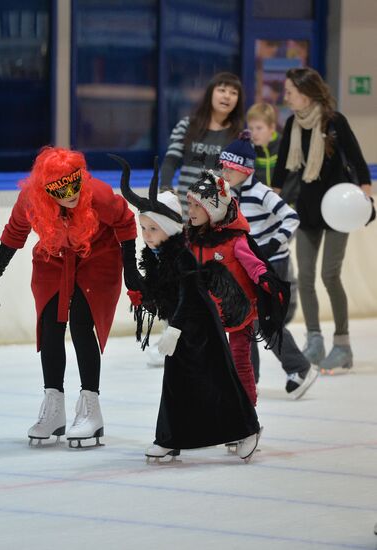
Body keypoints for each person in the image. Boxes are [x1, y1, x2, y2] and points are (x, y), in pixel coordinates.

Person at [0, 146, 141, 447]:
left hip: (97, 255)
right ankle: (53, 406)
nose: (71, 193)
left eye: (75, 183)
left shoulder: (97, 194)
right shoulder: (30, 200)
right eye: (60, 189)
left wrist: (130, 269)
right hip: (53, 256)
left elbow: (125, 222)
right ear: (45, 190)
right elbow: (14, 234)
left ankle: (91, 408)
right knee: (50, 325)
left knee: (80, 323)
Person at [114, 155, 262, 462]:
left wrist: (175, 329)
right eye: (143, 228)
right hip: (183, 329)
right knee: (177, 383)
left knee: (219, 380)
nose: (146, 235)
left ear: (168, 228)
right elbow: (161, 294)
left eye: (152, 228)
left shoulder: (180, 255)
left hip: (201, 328)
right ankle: (171, 438)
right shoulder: (157, 255)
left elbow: (191, 295)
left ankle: (247, 429)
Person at [271, 67, 375, 374]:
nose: (285, 95)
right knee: (304, 277)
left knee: (330, 275)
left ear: (306, 92)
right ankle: (314, 339)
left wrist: (365, 200)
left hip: (339, 210)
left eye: (290, 90)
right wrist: (272, 203)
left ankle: (342, 345)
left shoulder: (334, 122)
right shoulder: (291, 123)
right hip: (308, 210)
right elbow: (280, 171)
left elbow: (358, 163)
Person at [220, 130, 318, 399]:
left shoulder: (261, 193)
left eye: (230, 168)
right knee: (244, 319)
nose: (225, 173)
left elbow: (291, 217)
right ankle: (247, 376)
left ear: (246, 170)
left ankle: (300, 367)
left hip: (271, 263)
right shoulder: (230, 194)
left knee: (264, 319)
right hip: (249, 264)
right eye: (223, 167)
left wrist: (273, 244)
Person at [186, 169, 290, 407]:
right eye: (188, 204)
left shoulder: (234, 239)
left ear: (213, 209)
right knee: (207, 361)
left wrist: (267, 281)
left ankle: (247, 414)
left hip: (238, 312)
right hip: (207, 313)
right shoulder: (190, 240)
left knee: (240, 360)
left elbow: (253, 264)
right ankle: (217, 411)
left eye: (196, 206)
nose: (190, 211)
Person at [160, 71, 244, 219]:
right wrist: (166, 188)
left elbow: (240, 179)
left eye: (233, 93)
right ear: (210, 93)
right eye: (222, 90)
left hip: (218, 216)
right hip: (186, 212)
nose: (227, 96)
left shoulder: (240, 136)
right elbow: (170, 161)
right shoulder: (187, 125)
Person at [247, 102, 298, 324]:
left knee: (282, 258)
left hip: (283, 217)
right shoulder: (249, 152)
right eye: (251, 128)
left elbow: (294, 179)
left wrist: (289, 204)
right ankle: (260, 309)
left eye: (259, 128)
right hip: (259, 221)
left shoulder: (284, 149)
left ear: (271, 128)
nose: (254, 133)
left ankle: (288, 304)